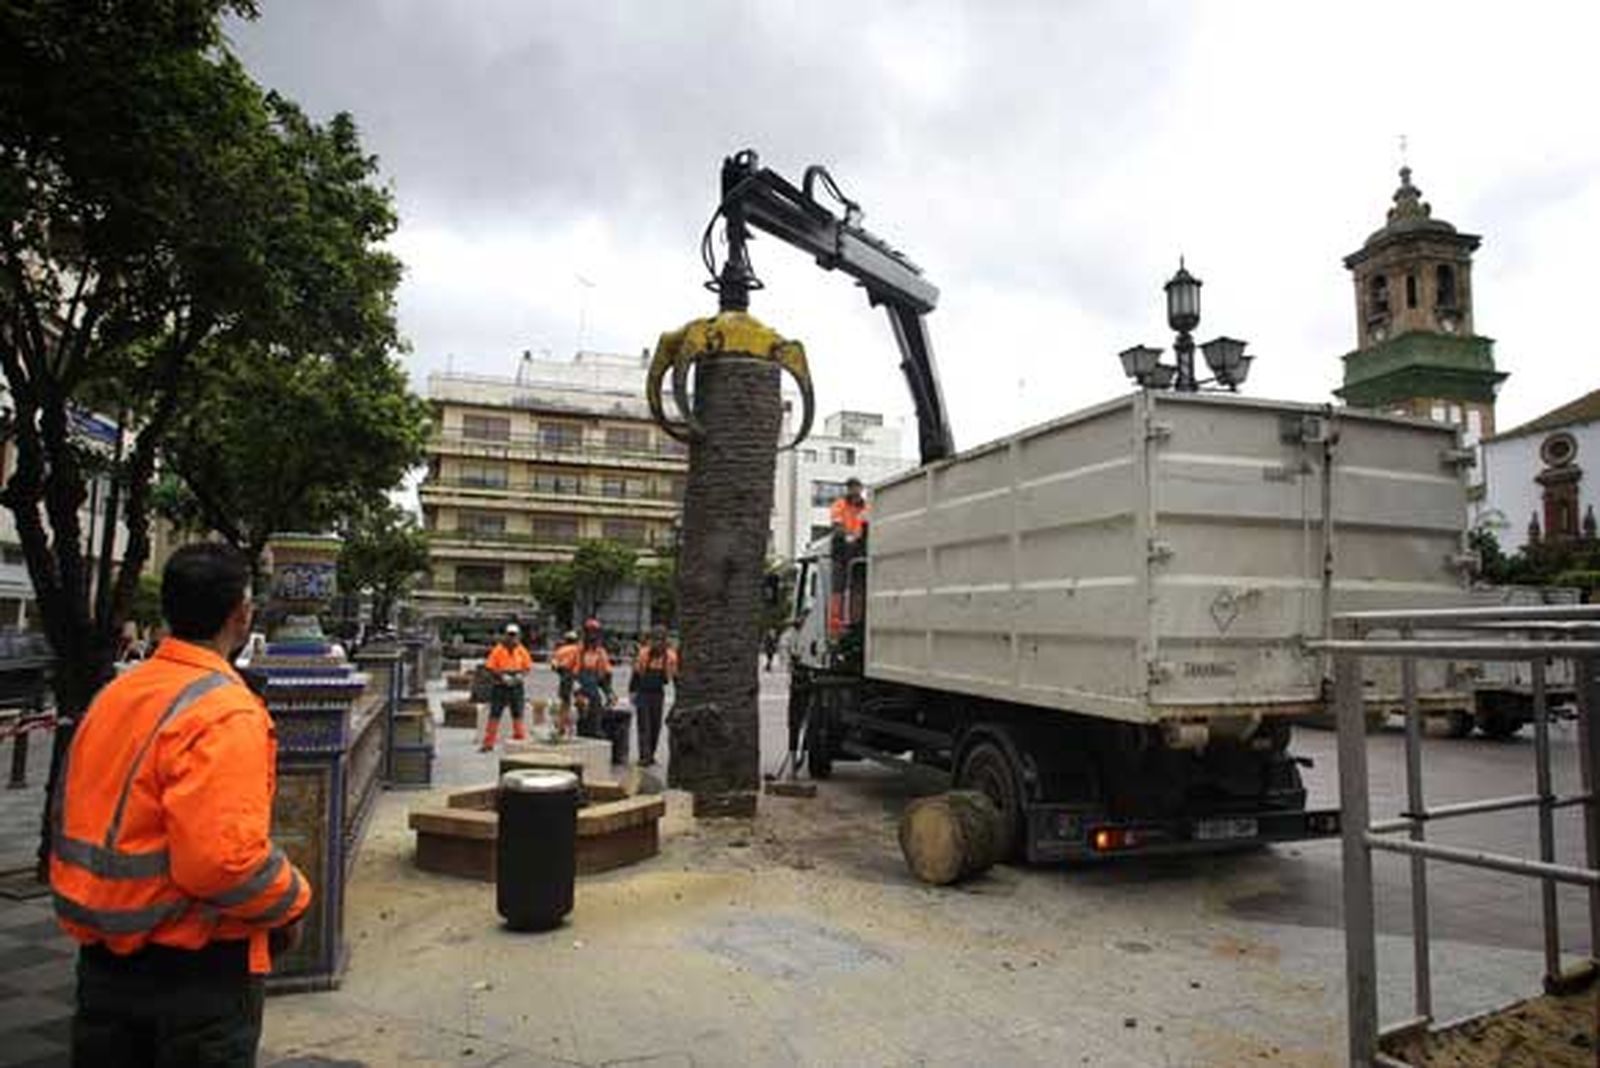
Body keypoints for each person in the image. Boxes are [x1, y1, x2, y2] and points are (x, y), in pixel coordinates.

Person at [50, 542, 311, 1067]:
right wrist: (293, 901)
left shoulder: (115, 695)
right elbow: (222, 864)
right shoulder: (224, 711)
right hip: (195, 971)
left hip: (103, 957)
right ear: (242, 615)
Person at [480, 623, 533, 752]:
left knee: (518, 712)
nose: (512, 638)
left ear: (518, 636)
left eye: (514, 635)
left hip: (516, 684)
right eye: (510, 635)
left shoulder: (522, 650)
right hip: (500, 685)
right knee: (495, 713)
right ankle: (488, 743)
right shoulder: (498, 650)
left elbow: (527, 667)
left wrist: (520, 676)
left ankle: (519, 739)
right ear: (505, 636)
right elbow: (490, 667)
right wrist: (502, 676)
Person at [630, 626, 679, 766]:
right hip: (643, 692)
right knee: (644, 725)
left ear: (665, 641)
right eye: (655, 639)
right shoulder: (643, 654)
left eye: (660, 639)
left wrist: (679, 697)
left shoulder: (670, 657)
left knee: (655, 725)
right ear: (651, 640)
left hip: (658, 693)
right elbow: (636, 674)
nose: (657, 643)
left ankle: (651, 754)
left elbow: (676, 678)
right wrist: (632, 692)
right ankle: (644, 756)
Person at [828, 477, 870, 635]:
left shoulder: (867, 506)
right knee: (838, 586)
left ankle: (857, 619)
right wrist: (848, 536)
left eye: (856, 487)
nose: (854, 490)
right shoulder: (839, 505)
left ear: (861, 488)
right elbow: (837, 525)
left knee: (859, 585)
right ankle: (836, 622)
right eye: (851, 487)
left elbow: (868, 524)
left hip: (859, 549)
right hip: (841, 550)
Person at [574, 618, 615, 739]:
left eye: (594, 632)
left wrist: (609, 693)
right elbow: (572, 672)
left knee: (596, 717)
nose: (592, 635)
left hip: (594, 693)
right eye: (589, 632)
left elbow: (606, 676)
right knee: (582, 719)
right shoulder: (578, 651)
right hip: (581, 692)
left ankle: (595, 734)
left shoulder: (601, 653)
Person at [550, 630, 581, 738]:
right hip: (572, 675)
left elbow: (554, 665)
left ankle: (562, 725)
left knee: (565, 701)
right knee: (575, 701)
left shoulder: (560, 650)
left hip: (564, 675)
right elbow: (578, 664)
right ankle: (568, 726)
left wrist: (560, 671)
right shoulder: (577, 649)